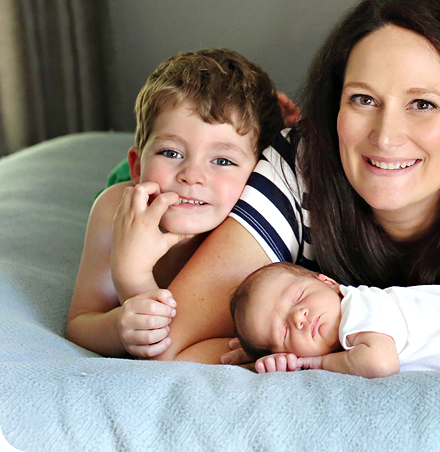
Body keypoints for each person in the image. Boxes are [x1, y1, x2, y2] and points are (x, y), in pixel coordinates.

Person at [156, 0, 440, 379]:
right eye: (363, 99)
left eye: (423, 104)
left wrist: (334, 353)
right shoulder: (301, 166)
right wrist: (288, 357)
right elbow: (174, 347)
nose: (386, 136)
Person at [65, 49, 284, 358]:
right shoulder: (113, 211)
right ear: (138, 166)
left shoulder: (248, 236)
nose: (192, 176)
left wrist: (134, 281)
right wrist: (118, 328)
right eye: (171, 152)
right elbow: (80, 322)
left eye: (222, 160)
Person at [229, 262, 440, 379]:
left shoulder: (358, 310)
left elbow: (379, 364)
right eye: (285, 330)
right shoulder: (355, 315)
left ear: (328, 282)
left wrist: (310, 362)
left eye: (299, 298)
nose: (300, 318)